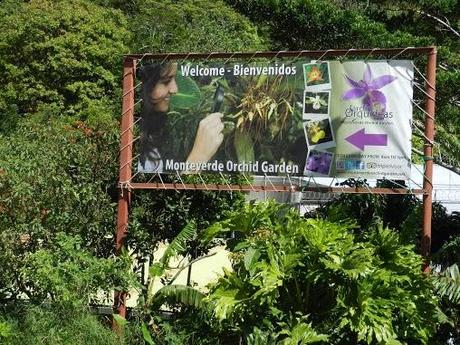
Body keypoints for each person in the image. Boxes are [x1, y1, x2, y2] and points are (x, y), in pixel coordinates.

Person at [137, 62, 224, 173]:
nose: (175, 89)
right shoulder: (134, 144)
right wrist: (199, 156)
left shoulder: (149, 136)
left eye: (174, 79)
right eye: (166, 81)